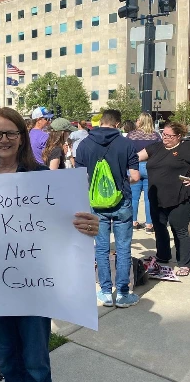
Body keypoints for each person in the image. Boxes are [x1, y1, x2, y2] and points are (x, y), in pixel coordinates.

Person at [0, 107, 98, 382]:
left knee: (34, 358)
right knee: (6, 357)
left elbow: (70, 223)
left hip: (35, 286)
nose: (4, 140)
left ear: (22, 136)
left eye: (11, 133)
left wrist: (90, 225)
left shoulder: (41, 177)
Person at [76, 109, 140, 307]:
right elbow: (136, 177)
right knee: (123, 248)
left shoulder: (84, 144)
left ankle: (104, 292)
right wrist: (121, 183)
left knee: (101, 249)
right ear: (118, 124)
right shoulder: (127, 143)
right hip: (122, 202)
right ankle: (122, 293)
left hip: (96, 204)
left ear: (101, 121)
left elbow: (80, 177)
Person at [137, 121, 190, 276]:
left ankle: (184, 263)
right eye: (163, 134)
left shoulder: (186, 148)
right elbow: (136, 157)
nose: (165, 137)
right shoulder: (156, 147)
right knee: (159, 228)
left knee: (179, 230)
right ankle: (163, 255)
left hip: (179, 196)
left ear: (179, 136)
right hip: (156, 197)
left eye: (169, 136)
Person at [126, 112, 161, 233]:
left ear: (140, 121)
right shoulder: (155, 136)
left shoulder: (131, 135)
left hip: (134, 167)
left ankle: (133, 222)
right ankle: (149, 224)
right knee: (149, 198)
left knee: (134, 197)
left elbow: (127, 151)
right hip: (150, 166)